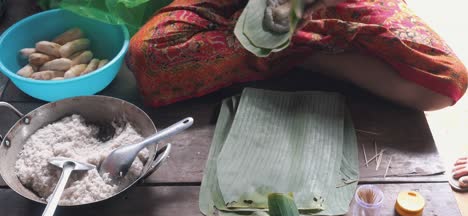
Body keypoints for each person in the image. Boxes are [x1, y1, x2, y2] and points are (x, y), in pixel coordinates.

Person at [126, 0, 467, 111]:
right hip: (237, 5)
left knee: (444, 80)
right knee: (146, 56)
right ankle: (288, 49)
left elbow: (447, 81)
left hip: (334, 6)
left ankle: (306, 53)